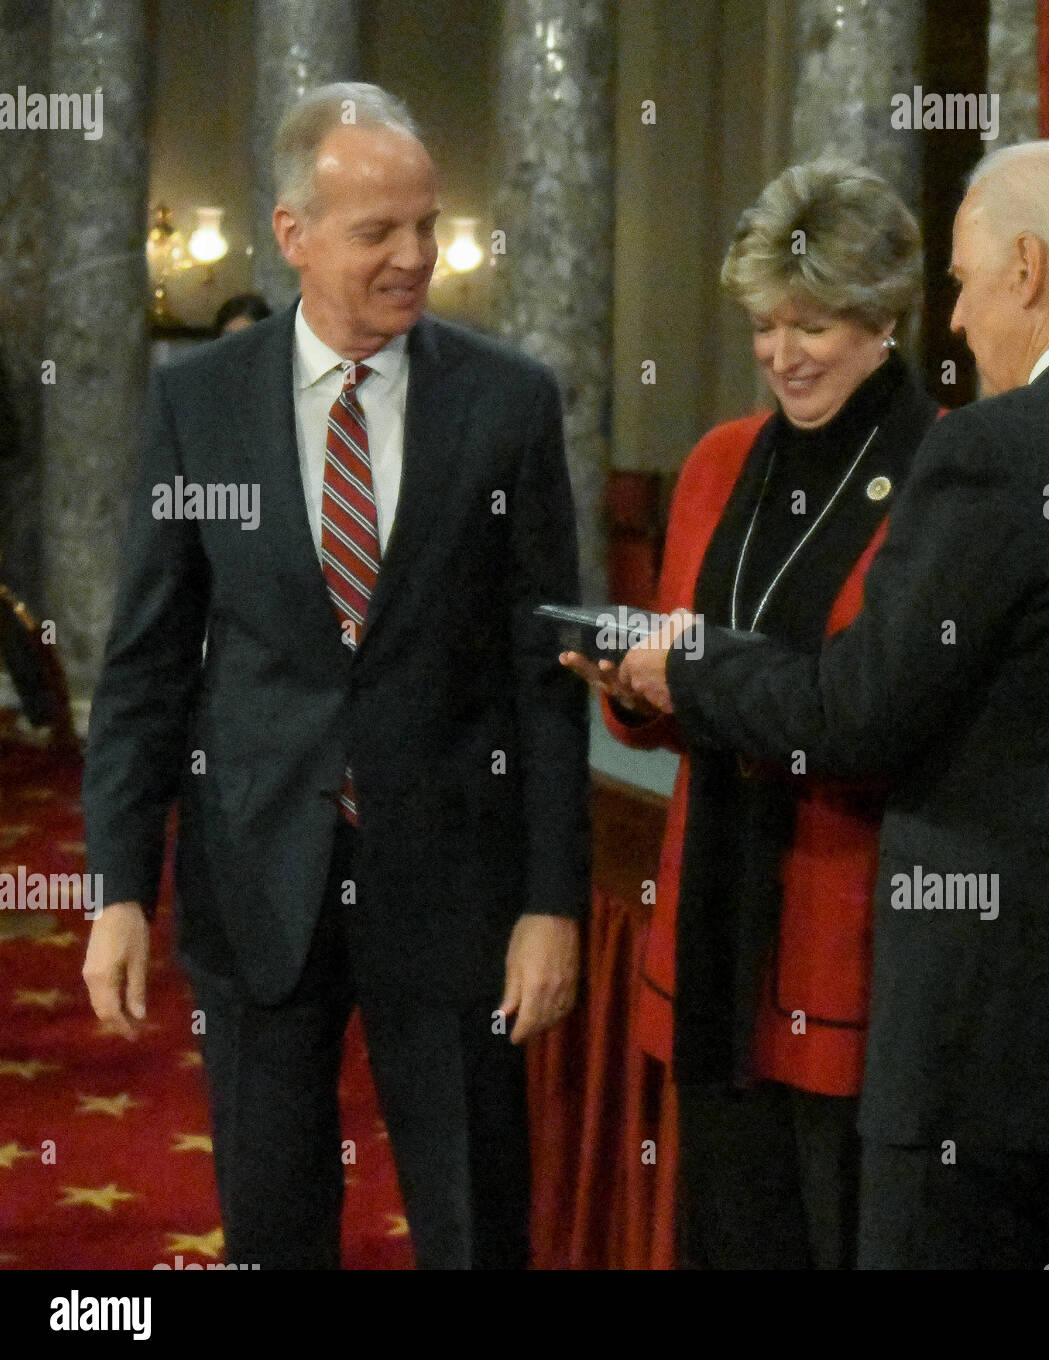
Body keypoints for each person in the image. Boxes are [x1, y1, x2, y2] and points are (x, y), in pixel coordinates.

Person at [621, 139, 1049, 1270]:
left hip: (971, 1052)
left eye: (967, 284)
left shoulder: (988, 450)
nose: (960, 321)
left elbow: (859, 714)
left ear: (1024, 267)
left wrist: (688, 669)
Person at [80, 82, 590, 1270]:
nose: (415, 257)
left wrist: (552, 901)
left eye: (426, 225)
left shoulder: (508, 403)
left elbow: (545, 674)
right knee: (271, 1227)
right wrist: (115, 886)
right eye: (377, 233)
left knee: (474, 1225)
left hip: (457, 893)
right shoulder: (196, 404)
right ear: (293, 233)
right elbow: (149, 662)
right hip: (256, 880)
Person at [564, 160, 937, 1268]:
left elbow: (890, 719)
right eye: (765, 324)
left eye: (811, 323)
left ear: (884, 319)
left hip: (846, 930)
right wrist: (633, 691)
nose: (781, 354)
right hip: (712, 918)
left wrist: (703, 678)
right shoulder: (720, 461)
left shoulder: (944, 470)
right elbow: (693, 683)